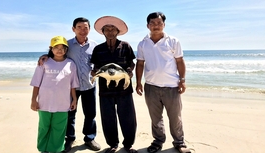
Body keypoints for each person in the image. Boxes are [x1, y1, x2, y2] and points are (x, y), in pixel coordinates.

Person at [38, 17, 101, 152]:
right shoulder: (68, 44)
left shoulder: (95, 45)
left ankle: (89, 138)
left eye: (85, 28)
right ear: (73, 29)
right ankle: (69, 138)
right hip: (70, 87)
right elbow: (56, 53)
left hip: (89, 85)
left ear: (89, 29)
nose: (82, 30)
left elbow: (98, 63)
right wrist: (44, 56)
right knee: (70, 113)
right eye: (79, 27)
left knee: (90, 113)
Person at [135, 12, 191, 153]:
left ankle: (179, 142)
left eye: (159, 23)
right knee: (155, 118)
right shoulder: (143, 44)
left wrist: (182, 80)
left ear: (164, 25)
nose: (156, 26)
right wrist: (138, 82)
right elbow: (140, 64)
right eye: (152, 23)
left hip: (171, 87)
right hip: (151, 87)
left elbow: (180, 61)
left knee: (175, 117)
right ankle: (158, 141)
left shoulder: (173, 41)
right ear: (148, 25)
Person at [90, 16, 138, 153]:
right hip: (105, 90)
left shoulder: (126, 46)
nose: (110, 32)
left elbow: (131, 63)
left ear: (117, 31)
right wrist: (94, 73)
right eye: (107, 30)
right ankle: (112, 144)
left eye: (113, 29)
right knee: (108, 118)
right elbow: (96, 66)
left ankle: (128, 144)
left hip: (124, 89)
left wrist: (129, 72)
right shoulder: (98, 49)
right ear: (103, 32)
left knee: (128, 117)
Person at [30, 36, 79, 153]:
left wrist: (74, 100)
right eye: (56, 47)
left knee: (59, 128)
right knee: (44, 127)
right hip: (44, 102)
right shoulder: (44, 63)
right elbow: (36, 83)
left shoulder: (70, 64)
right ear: (51, 48)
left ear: (66, 50)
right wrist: (33, 100)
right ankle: (42, 149)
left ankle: (55, 149)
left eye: (63, 48)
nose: (59, 50)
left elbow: (73, 84)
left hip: (63, 103)